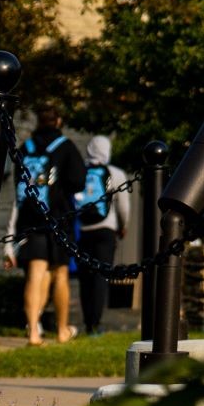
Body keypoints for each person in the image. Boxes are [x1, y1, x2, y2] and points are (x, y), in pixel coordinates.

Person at [6, 105, 86, 345]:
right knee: (60, 274)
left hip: (30, 219)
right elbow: (78, 182)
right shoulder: (65, 147)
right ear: (58, 121)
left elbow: (17, 183)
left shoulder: (25, 149)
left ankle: (33, 331)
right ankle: (62, 330)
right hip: (57, 218)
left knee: (35, 274)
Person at [73, 135, 130, 337]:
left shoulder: (81, 173)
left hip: (84, 231)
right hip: (106, 231)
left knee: (85, 279)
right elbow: (123, 206)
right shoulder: (116, 173)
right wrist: (123, 226)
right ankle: (95, 325)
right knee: (100, 278)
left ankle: (88, 321)